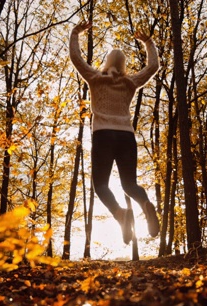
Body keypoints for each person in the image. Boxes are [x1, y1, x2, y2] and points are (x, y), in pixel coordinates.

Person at [69, 21, 160, 244]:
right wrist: (148, 42)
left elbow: (76, 59)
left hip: (103, 135)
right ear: (123, 65)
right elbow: (153, 67)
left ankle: (120, 214)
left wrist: (75, 33)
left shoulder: (95, 78)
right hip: (126, 136)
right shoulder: (130, 82)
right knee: (130, 185)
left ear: (107, 63)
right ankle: (145, 204)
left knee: (101, 186)